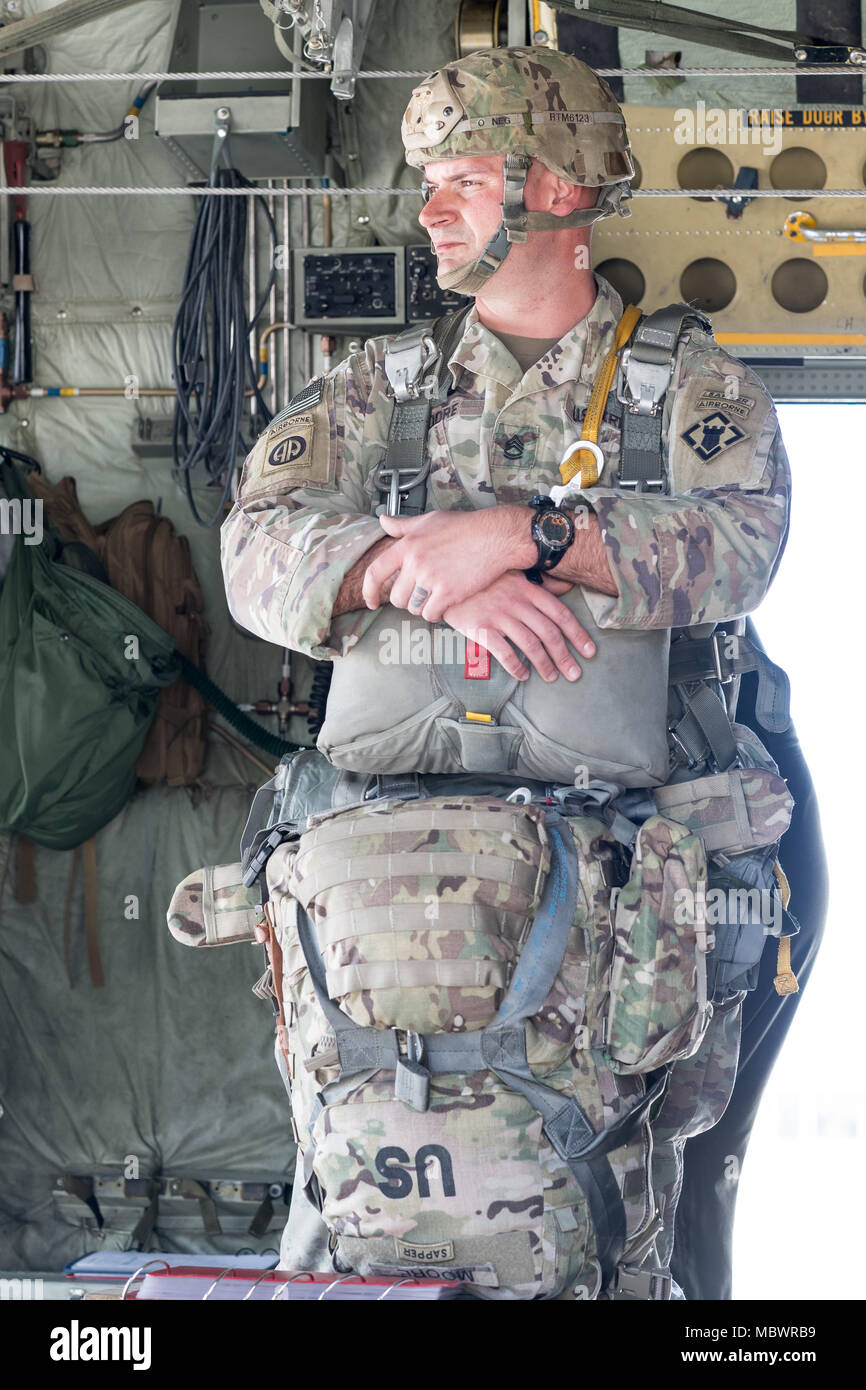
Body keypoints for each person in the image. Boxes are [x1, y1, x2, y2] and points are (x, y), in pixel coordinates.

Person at [220, 46, 796, 1297]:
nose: (428, 207)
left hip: (633, 895)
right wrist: (403, 565)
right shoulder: (377, 390)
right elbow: (255, 552)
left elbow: (741, 547)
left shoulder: (690, 391)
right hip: (400, 904)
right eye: (425, 179)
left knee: (652, 1189)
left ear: (562, 187)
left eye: (465, 177)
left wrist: (533, 533)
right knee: (372, 1177)